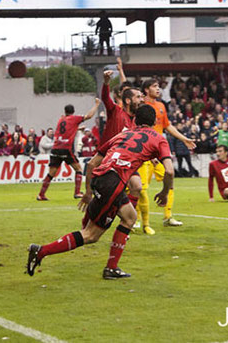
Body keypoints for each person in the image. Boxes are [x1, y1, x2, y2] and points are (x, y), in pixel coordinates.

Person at [26, 105, 174, 279]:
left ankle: (111, 268)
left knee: (130, 217)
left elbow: (91, 164)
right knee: (90, 235)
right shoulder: (158, 138)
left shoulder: (122, 135)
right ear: (155, 121)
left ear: (135, 120)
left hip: (102, 179)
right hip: (112, 183)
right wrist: (165, 192)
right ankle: (41, 251)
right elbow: (170, 171)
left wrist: (88, 192)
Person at [137, 79, 196, 235]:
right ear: (146, 89)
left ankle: (168, 216)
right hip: (144, 153)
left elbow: (167, 126)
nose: (158, 89)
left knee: (169, 181)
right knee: (140, 188)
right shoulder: (141, 107)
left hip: (160, 151)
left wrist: (183, 138)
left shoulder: (161, 106)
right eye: (154, 86)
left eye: (158, 86)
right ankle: (137, 220)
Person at [99, 70, 144, 216]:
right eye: (138, 97)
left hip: (125, 162)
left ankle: (130, 217)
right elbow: (105, 98)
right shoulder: (115, 111)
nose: (141, 100)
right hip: (109, 161)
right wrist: (106, 82)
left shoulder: (137, 122)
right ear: (128, 101)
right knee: (105, 201)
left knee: (137, 186)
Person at [37, 99, 101, 201]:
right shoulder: (74, 119)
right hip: (66, 149)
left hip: (56, 148)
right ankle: (77, 192)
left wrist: (78, 129)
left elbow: (65, 130)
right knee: (79, 169)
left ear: (65, 111)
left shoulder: (61, 119)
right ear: (73, 111)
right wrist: (97, 105)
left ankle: (41, 194)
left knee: (51, 174)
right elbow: (89, 116)